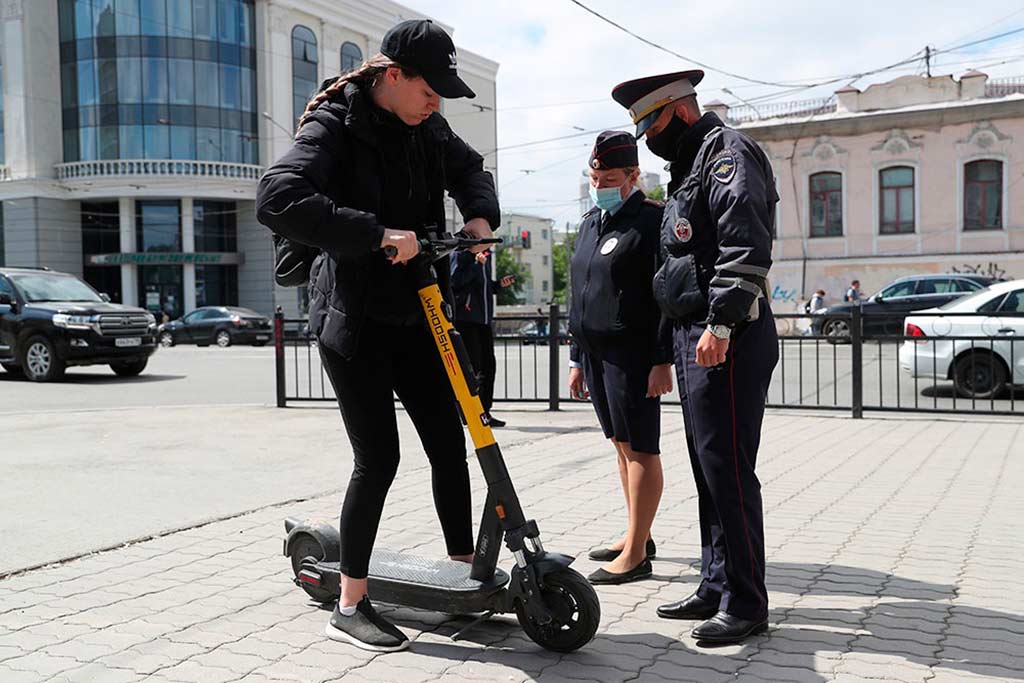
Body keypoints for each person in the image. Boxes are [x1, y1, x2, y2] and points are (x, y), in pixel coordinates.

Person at [256, 19, 499, 653]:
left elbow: (471, 170)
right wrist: (376, 233)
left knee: (450, 444)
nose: (436, 101)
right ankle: (350, 603)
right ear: (393, 76)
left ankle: (461, 578)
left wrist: (476, 216)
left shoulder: (428, 125)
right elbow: (277, 195)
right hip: (354, 320)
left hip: (418, 309)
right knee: (380, 458)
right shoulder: (335, 122)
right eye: (429, 88)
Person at [612, 69, 779, 644]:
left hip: (726, 335)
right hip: (696, 336)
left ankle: (748, 602)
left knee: (729, 471)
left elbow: (745, 242)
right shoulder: (691, 164)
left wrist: (723, 322)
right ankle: (716, 582)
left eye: (651, 125)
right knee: (710, 469)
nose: (648, 139)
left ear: (679, 112)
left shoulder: (727, 154)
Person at [568, 131, 674, 586]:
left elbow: (668, 294)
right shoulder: (593, 220)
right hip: (596, 352)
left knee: (641, 450)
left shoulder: (653, 221)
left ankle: (635, 554)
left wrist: (662, 358)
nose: (600, 184)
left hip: (634, 354)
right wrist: (576, 358)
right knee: (620, 445)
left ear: (633, 175)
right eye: (595, 176)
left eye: (609, 177)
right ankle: (637, 532)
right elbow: (579, 289)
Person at [449, 249, 514, 427]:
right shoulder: (462, 255)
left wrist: (499, 285)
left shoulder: (486, 256)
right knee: (473, 367)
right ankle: (468, 411)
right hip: (467, 321)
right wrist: (477, 265)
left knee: (488, 367)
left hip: (484, 320)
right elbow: (454, 281)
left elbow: (483, 286)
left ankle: (484, 412)